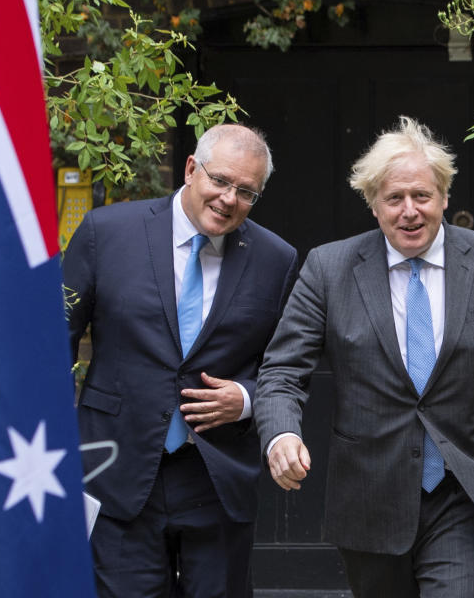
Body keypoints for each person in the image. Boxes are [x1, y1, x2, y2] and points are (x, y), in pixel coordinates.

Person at [254, 116, 474, 597]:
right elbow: (281, 369)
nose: (410, 211)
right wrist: (280, 433)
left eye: (422, 196)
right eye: (394, 198)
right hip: (369, 495)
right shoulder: (330, 268)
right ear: (373, 204)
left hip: (467, 490)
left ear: (444, 196)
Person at [63, 123, 298, 598]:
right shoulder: (106, 233)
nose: (230, 199)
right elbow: (51, 343)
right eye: (221, 181)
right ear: (192, 169)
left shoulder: (276, 258)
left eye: (246, 192)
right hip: (116, 468)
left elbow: (286, 364)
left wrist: (247, 398)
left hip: (216, 477)